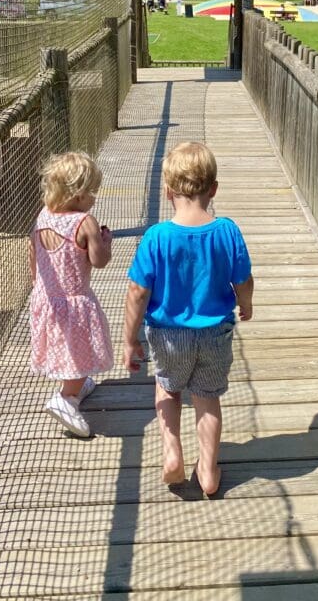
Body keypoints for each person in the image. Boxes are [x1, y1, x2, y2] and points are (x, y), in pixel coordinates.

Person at [123, 141, 254, 496]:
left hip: (168, 335)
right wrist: (247, 304)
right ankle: (208, 470)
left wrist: (129, 339)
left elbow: (137, 292)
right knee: (207, 396)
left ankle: (172, 454)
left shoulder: (156, 237)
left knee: (167, 386)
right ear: (213, 189)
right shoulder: (227, 231)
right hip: (215, 332)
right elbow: (242, 279)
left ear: (167, 191)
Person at [30, 151, 114, 437]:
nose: (94, 199)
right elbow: (99, 261)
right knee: (79, 351)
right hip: (75, 300)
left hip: (47, 296)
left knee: (64, 347)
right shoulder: (85, 222)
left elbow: (34, 254)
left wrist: (38, 288)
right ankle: (65, 399)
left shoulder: (43, 216)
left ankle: (76, 388)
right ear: (78, 193)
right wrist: (105, 241)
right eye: (92, 193)